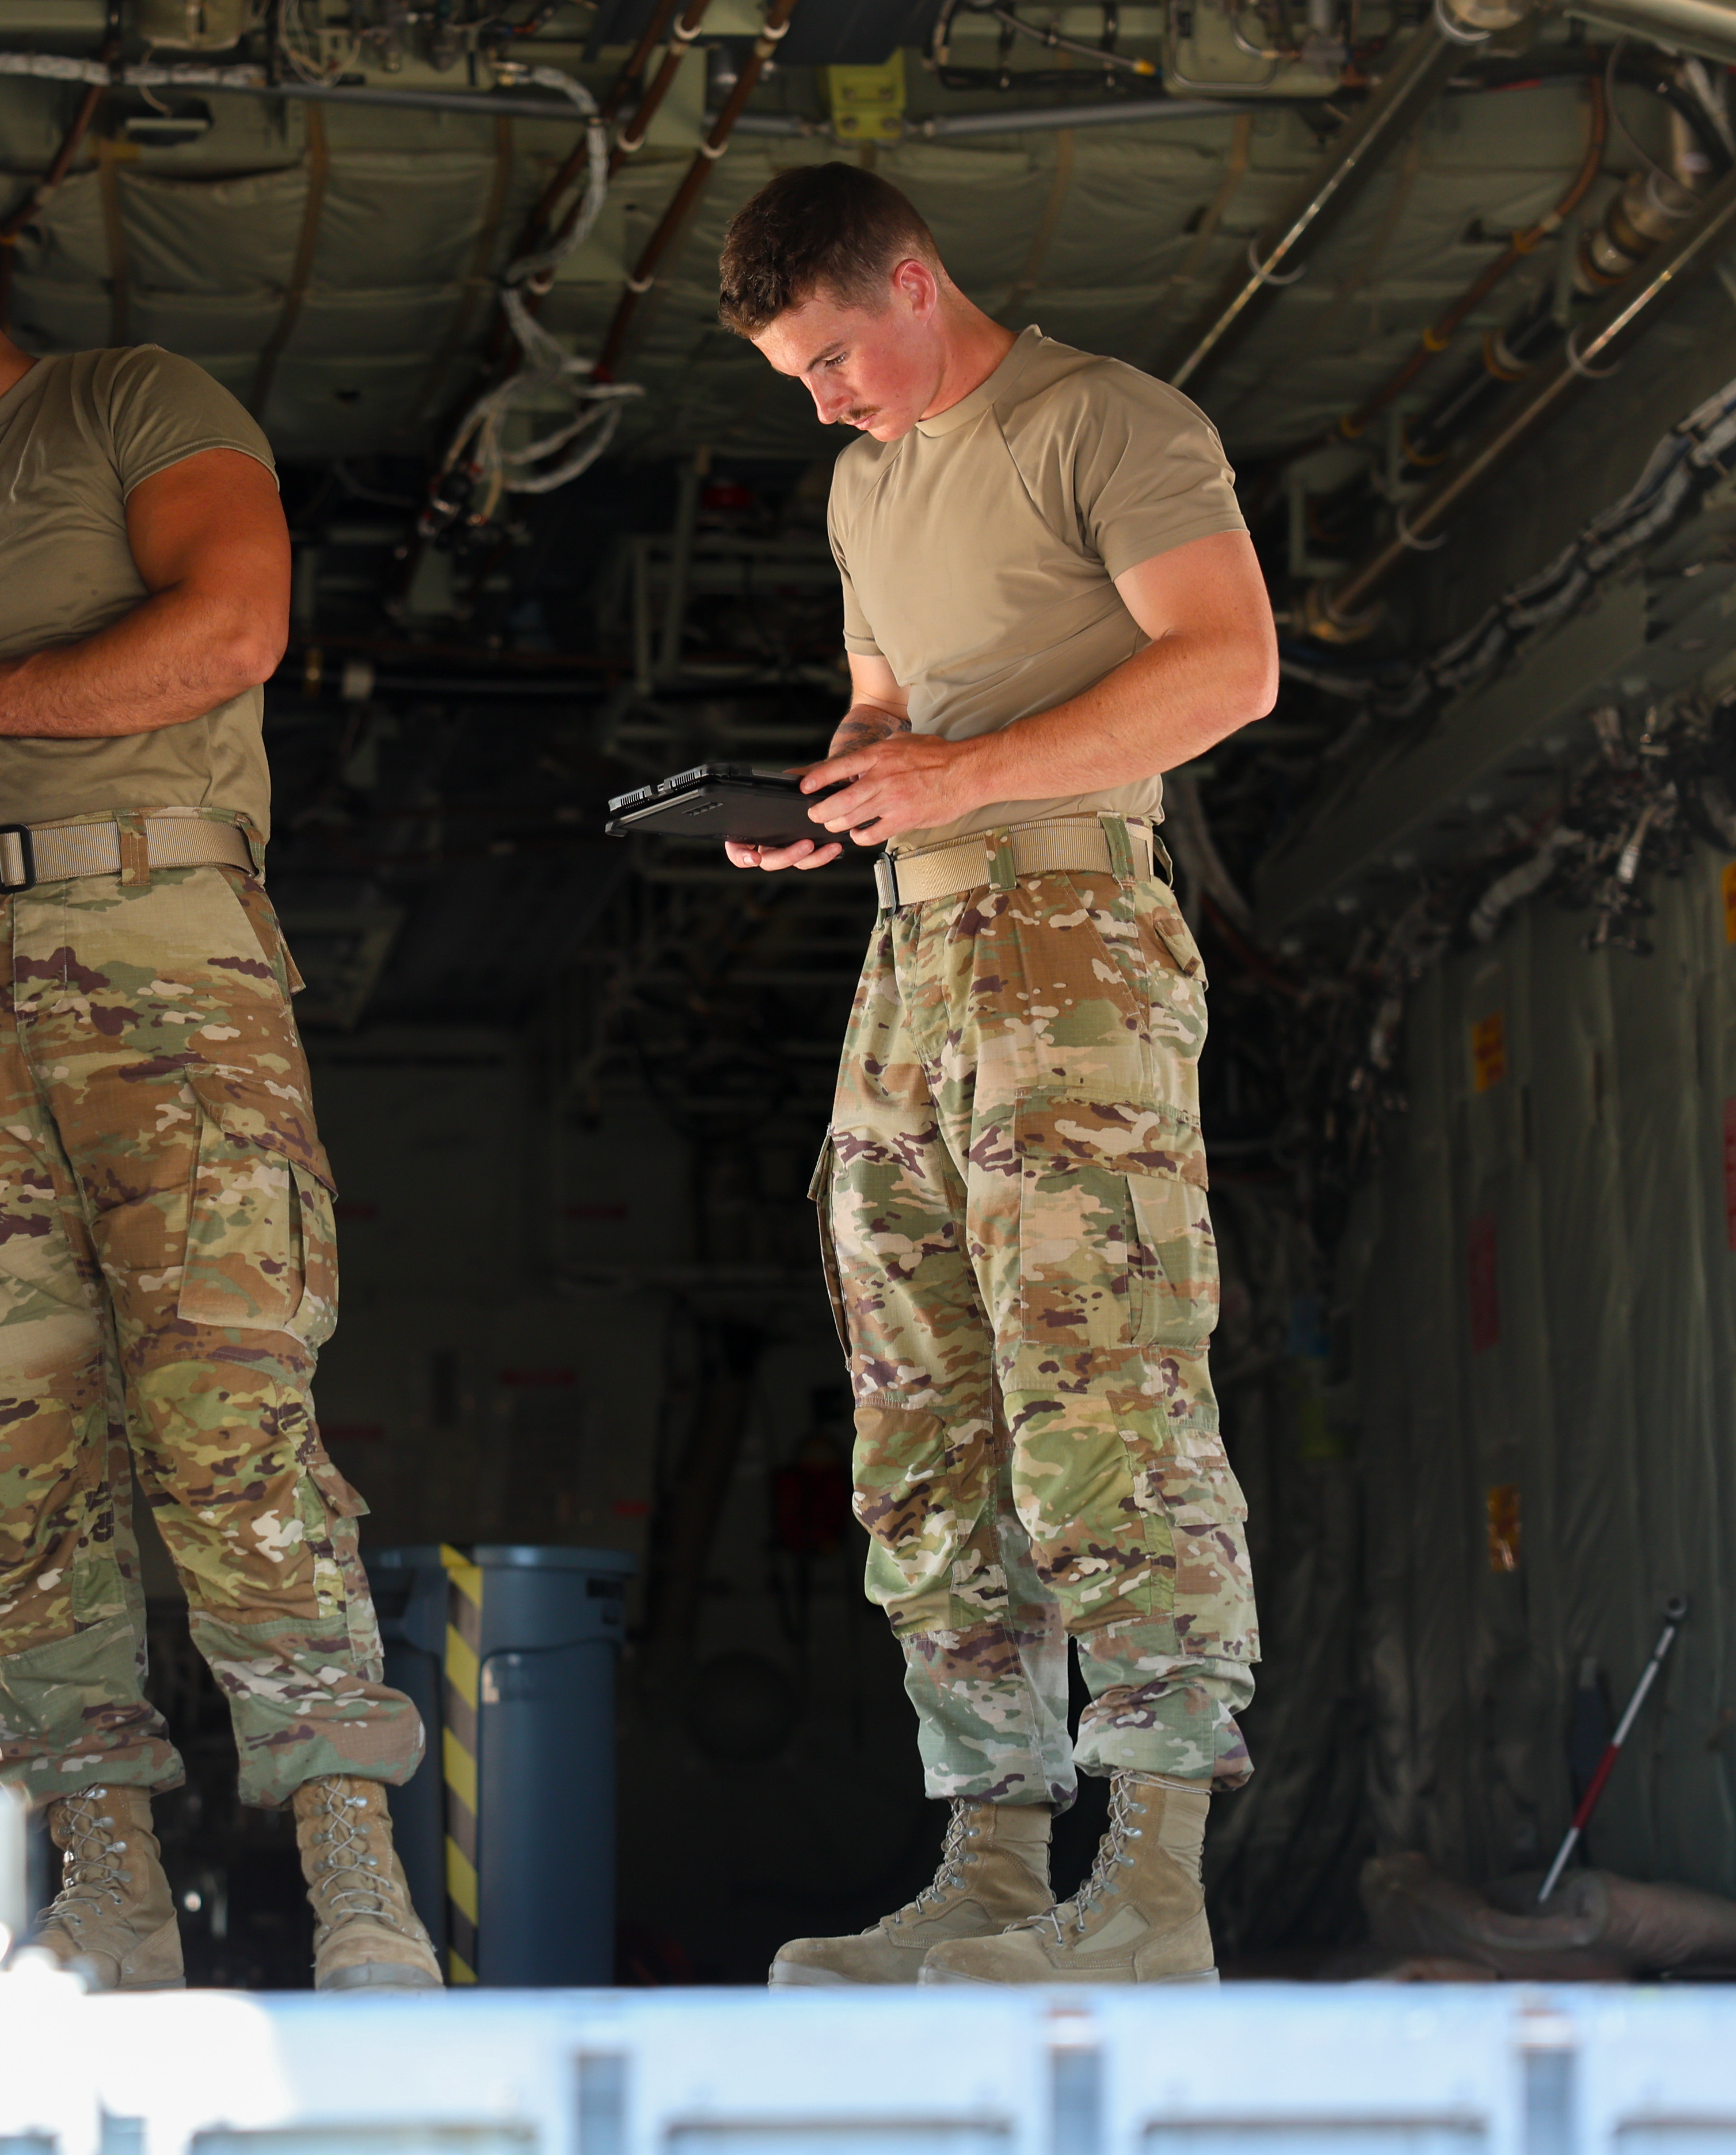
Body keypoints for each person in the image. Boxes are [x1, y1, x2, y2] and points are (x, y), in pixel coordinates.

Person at [0, 176, 438, 1992]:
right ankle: (108, 1889)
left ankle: (358, 1880)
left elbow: (233, 631)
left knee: (226, 1413)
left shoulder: (130, 405)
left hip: (159, 957)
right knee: (4, 1448)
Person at [714, 164, 1274, 1987]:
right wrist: (838, 794)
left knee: (1103, 1387)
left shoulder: (1107, 423)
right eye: (795, 379)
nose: (824, 403)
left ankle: (1157, 1885)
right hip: (916, 954)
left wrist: (956, 781)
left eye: (832, 359)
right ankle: (996, 1862)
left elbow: (1229, 671)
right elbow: (891, 709)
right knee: (923, 1411)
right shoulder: (865, 487)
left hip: (1072, 938)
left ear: (915, 281)